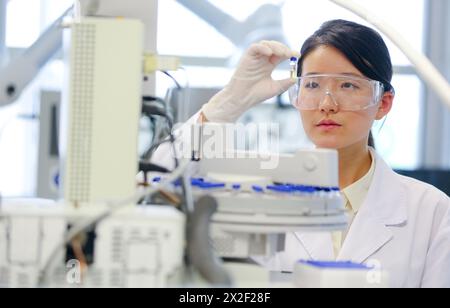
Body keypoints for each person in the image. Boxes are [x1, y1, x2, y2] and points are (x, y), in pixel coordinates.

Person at [153, 20, 450, 288]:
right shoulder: (254, 193)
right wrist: (229, 103)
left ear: (383, 103)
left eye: (347, 84)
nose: (327, 104)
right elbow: (155, 184)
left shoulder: (433, 212)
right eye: (312, 85)